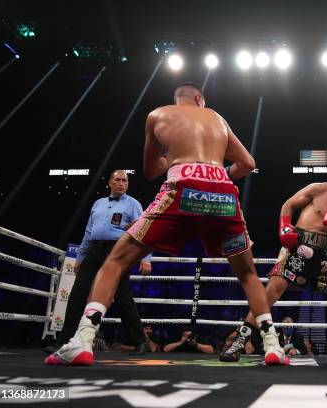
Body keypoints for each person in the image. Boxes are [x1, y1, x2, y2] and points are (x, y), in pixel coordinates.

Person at [46, 83, 287, 366]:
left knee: (115, 261)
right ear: (199, 99)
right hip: (222, 192)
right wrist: (218, 176)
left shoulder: (157, 115)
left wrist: (171, 160)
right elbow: (247, 162)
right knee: (247, 273)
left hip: (182, 186)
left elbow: (149, 171)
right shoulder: (217, 118)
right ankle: (273, 346)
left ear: (179, 99)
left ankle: (83, 341)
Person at [220, 159, 327, 362]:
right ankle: (239, 341)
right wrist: (285, 227)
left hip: (325, 255)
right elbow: (289, 204)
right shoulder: (317, 189)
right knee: (270, 292)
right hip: (298, 246)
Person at [44, 170, 151, 355]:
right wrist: (80, 257)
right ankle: (64, 342)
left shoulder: (133, 204)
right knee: (77, 294)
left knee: (123, 296)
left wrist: (145, 258)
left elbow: (144, 230)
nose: (121, 183)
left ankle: (140, 341)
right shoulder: (98, 203)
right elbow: (88, 232)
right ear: (109, 182)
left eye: (124, 180)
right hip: (93, 251)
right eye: (117, 180)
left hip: (117, 252)